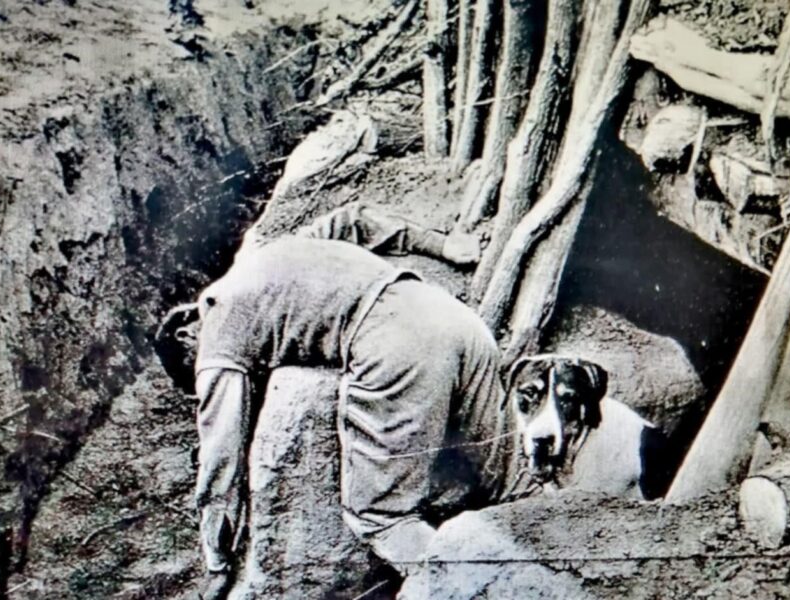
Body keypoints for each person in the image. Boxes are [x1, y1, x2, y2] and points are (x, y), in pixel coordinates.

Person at [157, 203, 527, 599]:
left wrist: (216, 561)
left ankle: (498, 591)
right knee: (514, 481)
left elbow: (220, 458)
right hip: (455, 318)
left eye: (193, 372)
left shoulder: (216, 325)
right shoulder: (265, 257)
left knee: (381, 516)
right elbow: (354, 219)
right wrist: (444, 244)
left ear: (184, 334)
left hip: (397, 344)